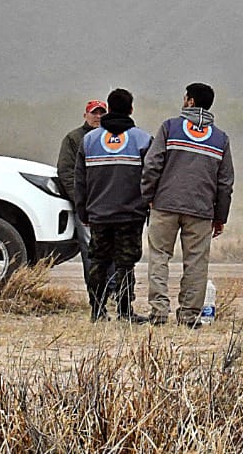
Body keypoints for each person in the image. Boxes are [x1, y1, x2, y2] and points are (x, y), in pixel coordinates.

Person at [141, 82, 233, 327]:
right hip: (201, 210)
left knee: (159, 257)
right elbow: (225, 182)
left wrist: (148, 196)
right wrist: (220, 216)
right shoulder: (220, 138)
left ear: (190, 101)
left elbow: (152, 165)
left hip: (165, 204)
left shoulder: (169, 127)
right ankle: (190, 316)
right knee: (196, 262)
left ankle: (159, 312)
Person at [71, 90, 150, 322]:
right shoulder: (143, 139)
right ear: (131, 109)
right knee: (126, 264)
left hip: (98, 214)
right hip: (131, 215)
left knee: (99, 261)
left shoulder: (89, 140)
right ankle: (125, 312)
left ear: (109, 108)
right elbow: (150, 177)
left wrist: (82, 210)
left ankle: (97, 311)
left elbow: (79, 179)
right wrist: (147, 207)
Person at [55, 99, 108, 299]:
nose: (98, 116)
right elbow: (66, 171)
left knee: (111, 250)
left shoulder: (112, 138)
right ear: (85, 115)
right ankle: (95, 294)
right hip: (85, 204)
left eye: (102, 113)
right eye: (94, 113)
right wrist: (79, 200)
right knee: (90, 250)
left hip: (109, 204)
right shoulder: (74, 138)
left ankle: (111, 292)